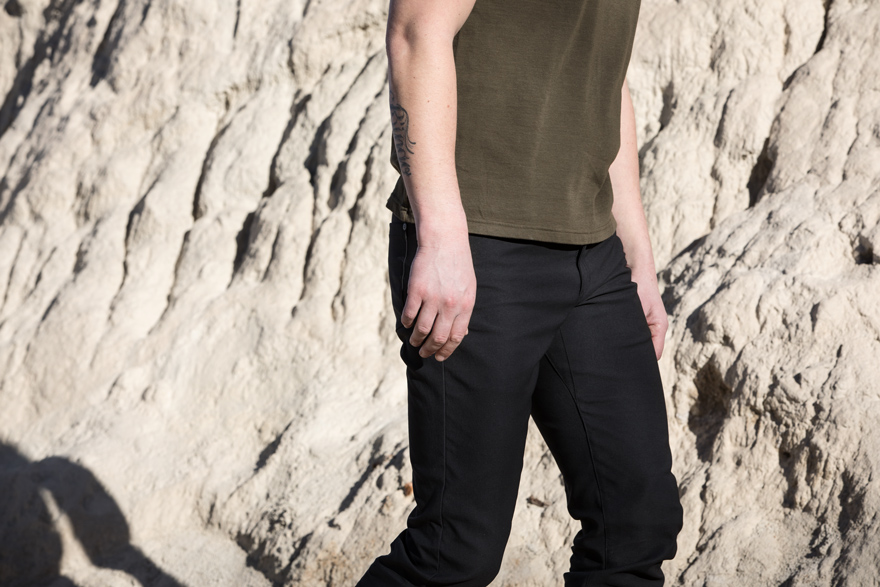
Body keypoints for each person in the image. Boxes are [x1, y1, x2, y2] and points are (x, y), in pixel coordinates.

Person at [357, 0, 683, 585]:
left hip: (592, 254)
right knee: (455, 552)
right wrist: (441, 236)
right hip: (479, 248)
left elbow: (600, 74)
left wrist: (637, 255)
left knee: (636, 523)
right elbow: (416, 33)